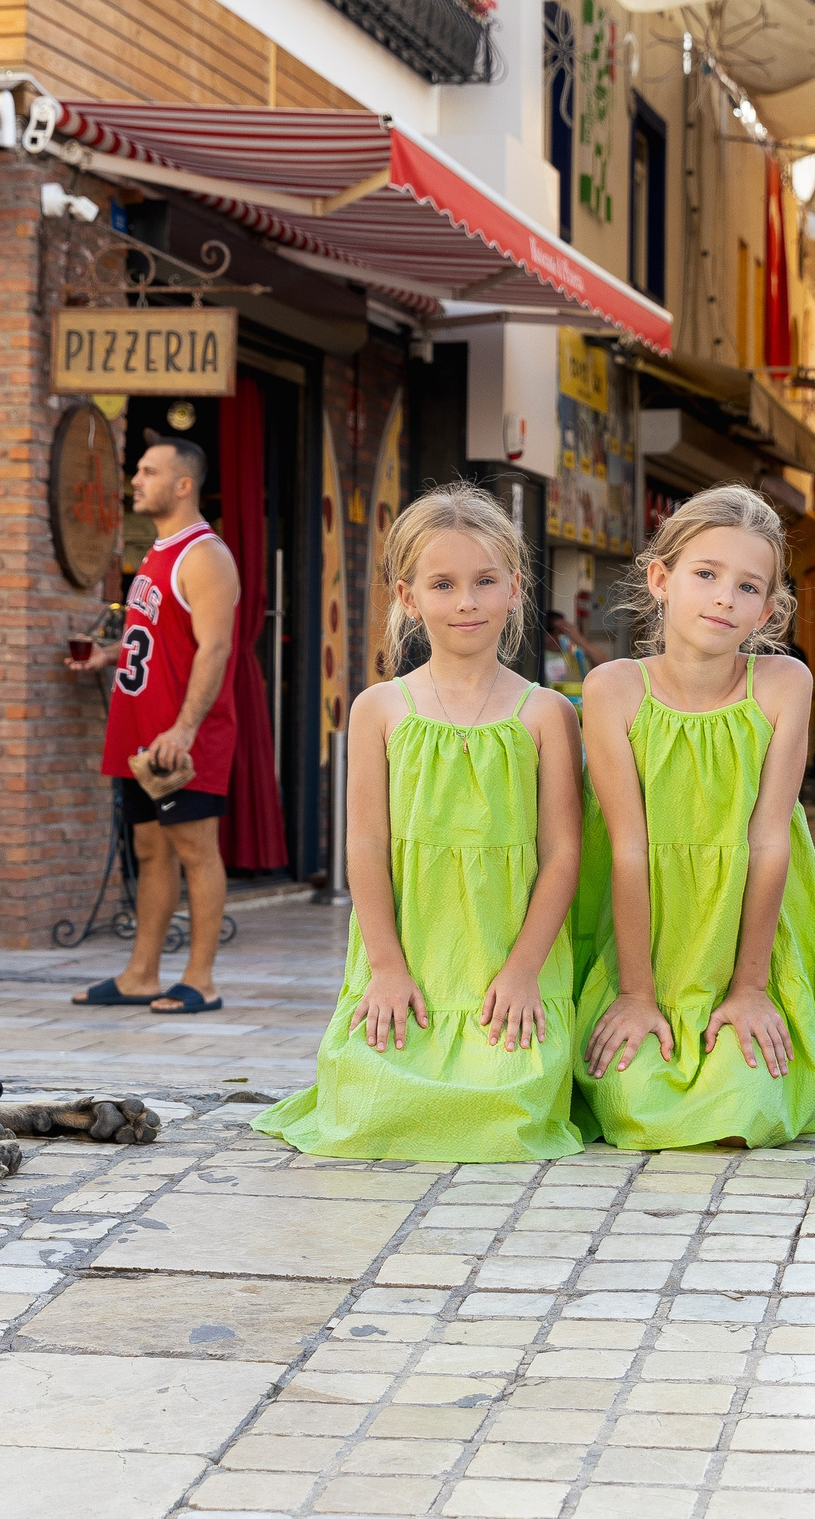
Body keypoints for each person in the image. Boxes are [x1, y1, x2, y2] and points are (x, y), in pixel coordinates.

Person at [256, 485, 585, 1160]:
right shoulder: (379, 708)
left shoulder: (547, 712)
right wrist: (385, 967)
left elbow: (562, 853)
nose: (466, 601)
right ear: (408, 597)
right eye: (443, 584)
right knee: (367, 1114)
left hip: (507, 963)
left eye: (484, 581)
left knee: (510, 1118)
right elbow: (366, 844)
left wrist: (524, 971)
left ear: (514, 588)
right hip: (407, 960)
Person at [574, 485, 815, 1150]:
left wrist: (750, 986)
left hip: (753, 934)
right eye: (706, 574)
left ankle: (752, 1004)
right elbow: (628, 847)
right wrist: (635, 995)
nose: (724, 598)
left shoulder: (783, 684)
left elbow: (770, 839)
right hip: (646, 936)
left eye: (747, 587)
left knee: (743, 1109)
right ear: (660, 580)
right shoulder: (613, 688)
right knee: (635, 1104)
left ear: (768, 611)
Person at [70, 436, 240, 1015]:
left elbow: (215, 648)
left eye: (148, 471)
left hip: (182, 737)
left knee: (195, 849)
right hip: (139, 730)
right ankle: (141, 974)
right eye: (137, 471)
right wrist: (108, 655)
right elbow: (158, 638)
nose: (136, 481)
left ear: (183, 485)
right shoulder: (158, 551)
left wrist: (185, 729)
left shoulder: (205, 555)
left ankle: (201, 980)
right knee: (148, 848)